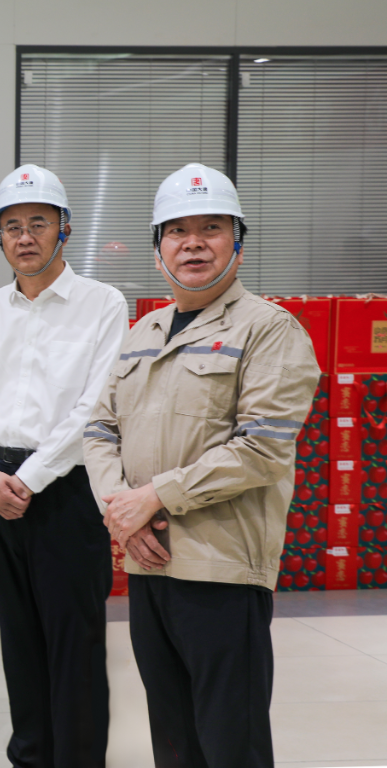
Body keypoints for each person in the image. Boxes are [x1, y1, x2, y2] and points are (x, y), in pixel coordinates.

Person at [83, 164, 320, 768]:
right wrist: (121, 510)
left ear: (237, 241)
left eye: (211, 227)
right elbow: (99, 429)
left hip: (222, 570)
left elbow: (261, 447)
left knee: (230, 743)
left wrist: (153, 497)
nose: (193, 243)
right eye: (177, 230)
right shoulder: (144, 330)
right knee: (173, 740)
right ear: (158, 246)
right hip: (148, 563)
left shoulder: (269, 330)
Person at [0, 165, 126, 768]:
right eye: (12, 226)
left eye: (38, 224)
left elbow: (94, 407)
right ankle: (30, 756)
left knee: (74, 641)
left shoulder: (102, 304)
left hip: (65, 488)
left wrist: (28, 479)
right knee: (19, 637)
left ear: (64, 229)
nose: (24, 237)